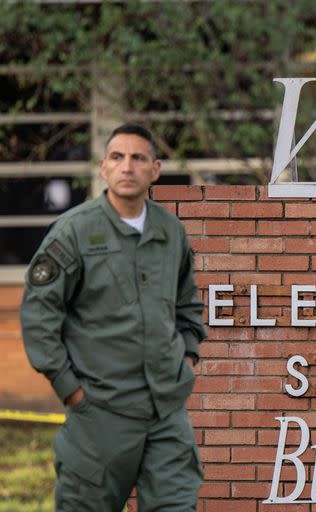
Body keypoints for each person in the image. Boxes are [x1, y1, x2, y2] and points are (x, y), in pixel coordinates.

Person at [20, 124, 207, 511]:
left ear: (155, 169)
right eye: (118, 158)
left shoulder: (170, 232)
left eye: (138, 158)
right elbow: (40, 315)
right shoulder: (73, 232)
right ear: (104, 167)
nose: (128, 167)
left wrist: (187, 356)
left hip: (166, 414)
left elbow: (187, 303)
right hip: (100, 412)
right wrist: (69, 387)